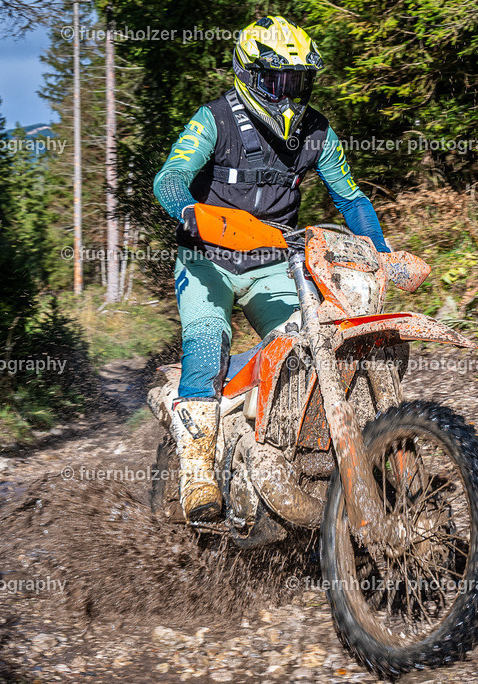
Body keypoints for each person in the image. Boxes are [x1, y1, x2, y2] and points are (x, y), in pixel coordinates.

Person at [152, 15, 390, 522]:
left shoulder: (317, 133)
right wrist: (189, 211)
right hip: (207, 259)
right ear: (251, 74)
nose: (288, 93)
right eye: (278, 80)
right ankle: (197, 477)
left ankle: (286, 456)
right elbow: (170, 176)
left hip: (271, 262)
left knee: (307, 344)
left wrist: (382, 254)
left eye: (298, 81)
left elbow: (350, 198)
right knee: (206, 343)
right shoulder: (213, 118)